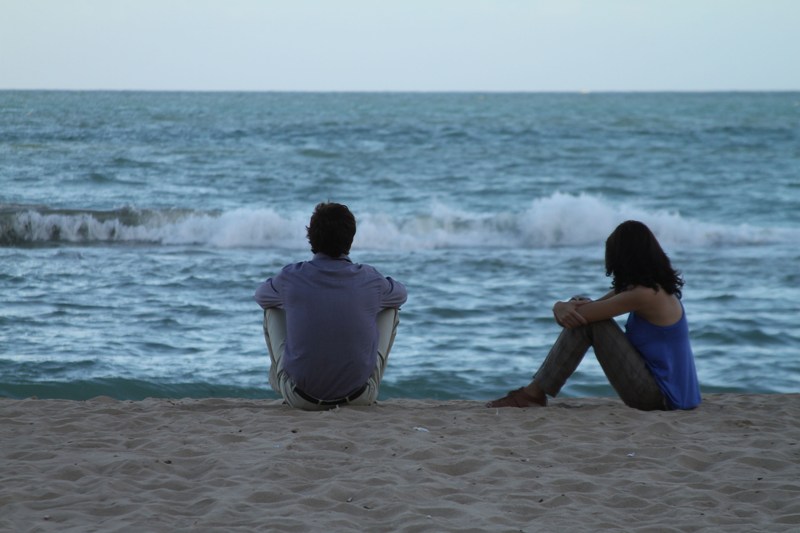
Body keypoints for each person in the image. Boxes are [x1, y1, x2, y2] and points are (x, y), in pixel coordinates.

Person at [487, 220, 701, 411]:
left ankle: (533, 393)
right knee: (584, 310)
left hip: (660, 397)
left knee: (591, 323)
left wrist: (559, 306)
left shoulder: (644, 294)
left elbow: (585, 317)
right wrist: (565, 306)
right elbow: (589, 308)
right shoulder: (654, 288)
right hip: (674, 395)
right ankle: (534, 392)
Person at [254, 202, 407, 410]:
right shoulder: (370, 279)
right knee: (391, 308)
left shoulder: (291, 277)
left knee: (271, 308)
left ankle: (279, 377)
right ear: (350, 239)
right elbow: (401, 294)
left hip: (300, 399)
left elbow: (260, 296)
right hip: (359, 398)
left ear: (311, 237)